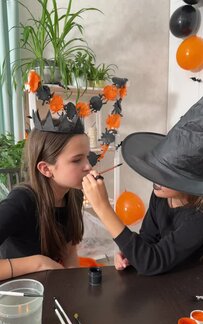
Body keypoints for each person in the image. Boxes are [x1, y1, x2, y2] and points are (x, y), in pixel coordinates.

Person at [82, 97, 203, 275]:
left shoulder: (199, 217)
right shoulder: (161, 196)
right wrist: (131, 253)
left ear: (189, 181)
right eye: (156, 168)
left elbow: (153, 261)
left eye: (166, 175)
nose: (155, 178)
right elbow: (148, 239)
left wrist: (103, 208)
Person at [0, 107, 92, 281]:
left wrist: (73, 284)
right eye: (77, 159)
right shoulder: (20, 202)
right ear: (45, 168)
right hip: (19, 297)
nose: (88, 166)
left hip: (52, 288)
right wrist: (38, 263)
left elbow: (69, 251)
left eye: (87, 157)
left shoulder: (74, 196)